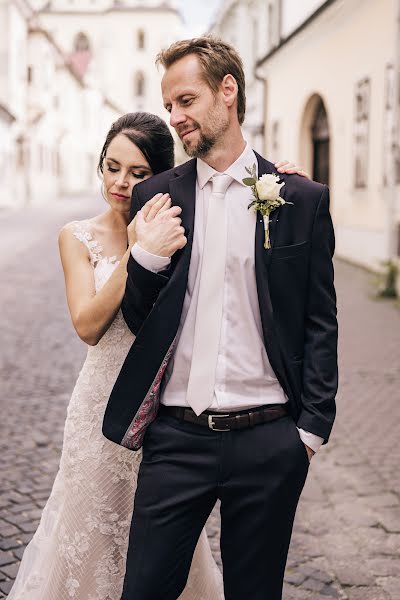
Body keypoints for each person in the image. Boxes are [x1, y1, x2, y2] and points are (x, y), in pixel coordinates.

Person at [8, 111, 305, 600]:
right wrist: (139, 252)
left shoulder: (186, 221)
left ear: (161, 176)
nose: (120, 183)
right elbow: (87, 324)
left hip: (170, 412)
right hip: (101, 409)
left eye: (138, 173)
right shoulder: (76, 236)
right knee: (90, 532)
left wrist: (280, 181)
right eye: (111, 167)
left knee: (162, 551)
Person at [103, 37, 338, 600]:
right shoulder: (155, 198)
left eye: (186, 100)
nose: (175, 118)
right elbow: (139, 320)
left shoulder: (297, 198)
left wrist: (308, 432)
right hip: (176, 440)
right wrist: (147, 257)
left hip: (269, 441)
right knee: (143, 590)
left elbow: (320, 320)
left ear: (227, 91)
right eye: (169, 107)